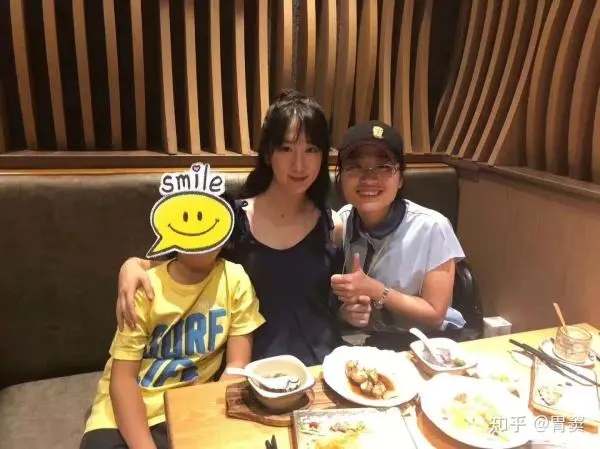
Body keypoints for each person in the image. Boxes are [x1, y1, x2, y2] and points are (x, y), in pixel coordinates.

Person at [114, 90, 371, 367]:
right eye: (286, 149)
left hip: (323, 367)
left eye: (311, 149)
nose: (299, 164)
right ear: (268, 154)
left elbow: (320, 308)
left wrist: (348, 313)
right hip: (252, 371)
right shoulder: (231, 220)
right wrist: (132, 265)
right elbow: (176, 268)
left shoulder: (332, 225)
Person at [80, 193, 265, 449]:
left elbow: (236, 365)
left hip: (189, 410)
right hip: (119, 417)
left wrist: (215, 419)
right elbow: (123, 381)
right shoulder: (144, 286)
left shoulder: (234, 279)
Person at [330, 120, 467, 351]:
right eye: (355, 167)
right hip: (370, 343)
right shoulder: (342, 222)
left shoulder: (432, 227)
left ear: (401, 178)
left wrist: (375, 290)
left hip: (427, 345)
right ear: (341, 176)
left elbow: (435, 315)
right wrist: (346, 313)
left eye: (383, 167)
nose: (369, 178)